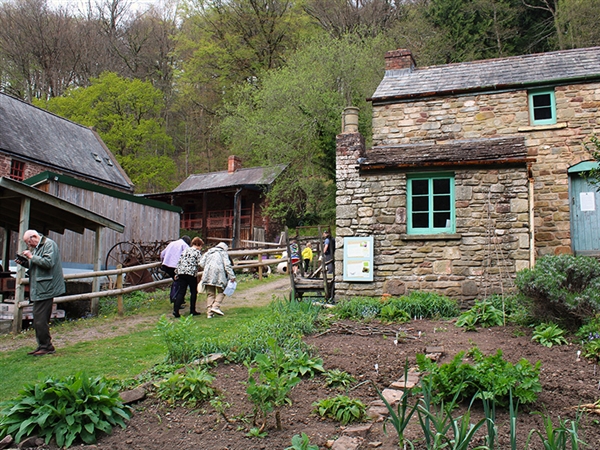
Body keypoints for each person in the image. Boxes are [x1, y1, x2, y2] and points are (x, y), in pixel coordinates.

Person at [16, 230, 65, 356]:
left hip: (46, 288)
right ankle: (43, 345)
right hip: (40, 288)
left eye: (28, 242)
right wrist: (24, 262)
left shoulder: (49, 245)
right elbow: (37, 265)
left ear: (33, 237)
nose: (29, 245)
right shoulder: (39, 247)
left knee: (40, 319)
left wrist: (31, 256)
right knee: (38, 318)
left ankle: (47, 346)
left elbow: (48, 263)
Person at [199, 242, 235, 318]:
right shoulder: (223, 253)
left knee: (210, 294)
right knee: (222, 291)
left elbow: (201, 263)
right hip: (219, 275)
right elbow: (227, 265)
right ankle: (216, 306)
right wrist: (232, 276)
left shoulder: (209, 252)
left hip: (208, 275)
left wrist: (208, 266)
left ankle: (209, 313)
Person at [172, 237, 204, 318]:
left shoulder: (185, 251)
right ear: (199, 245)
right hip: (191, 273)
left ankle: (176, 310)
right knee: (193, 291)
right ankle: (192, 310)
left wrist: (176, 273)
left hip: (181, 273)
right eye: (201, 246)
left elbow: (179, 262)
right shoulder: (197, 252)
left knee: (181, 291)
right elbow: (200, 263)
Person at [160, 235, 191, 305]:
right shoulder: (185, 245)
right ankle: (176, 299)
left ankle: (177, 299)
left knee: (176, 281)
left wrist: (163, 261)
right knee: (180, 283)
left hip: (167, 265)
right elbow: (188, 256)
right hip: (176, 266)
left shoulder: (172, 243)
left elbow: (162, 254)